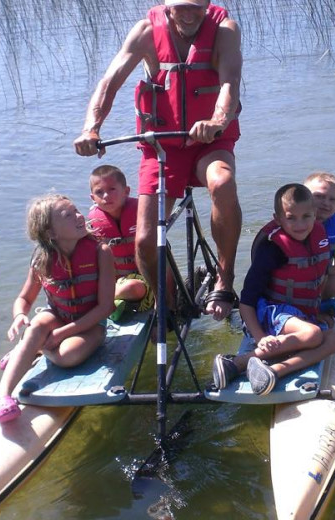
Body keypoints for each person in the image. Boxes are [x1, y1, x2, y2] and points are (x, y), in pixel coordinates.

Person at [73, 0, 242, 321]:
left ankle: (225, 279)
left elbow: (230, 82)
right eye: (181, 7)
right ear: (166, 5)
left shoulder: (225, 30)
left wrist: (218, 120)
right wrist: (90, 129)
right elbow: (109, 83)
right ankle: (168, 304)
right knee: (146, 241)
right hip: (162, 146)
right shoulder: (146, 31)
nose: (189, 14)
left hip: (210, 141)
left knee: (222, 181)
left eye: (196, 6)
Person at [0, 194, 116, 423]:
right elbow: (24, 299)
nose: (79, 216)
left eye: (76, 210)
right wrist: (19, 315)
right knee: (36, 325)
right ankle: (2, 397)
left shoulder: (101, 252)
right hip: (57, 317)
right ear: (51, 233)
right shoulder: (42, 259)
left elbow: (105, 307)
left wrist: (61, 334)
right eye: (68, 215)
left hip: (91, 324)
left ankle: (29, 350)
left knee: (68, 356)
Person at [212, 184, 335, 396]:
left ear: (315, 215)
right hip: (272, 313)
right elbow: (246, 301)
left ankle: (274, 371)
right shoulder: (272, 249)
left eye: (306, 216)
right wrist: (259, 336)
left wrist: (316, 311)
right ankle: (237, 363)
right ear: (278, 218)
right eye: (291, 218)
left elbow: (315, 282)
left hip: (298, 316)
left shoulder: (317, 236)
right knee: (313, 333)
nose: (300, 224)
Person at [88, 164, 154, 321]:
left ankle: (103, 303)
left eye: (112, 189)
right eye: (99, 192)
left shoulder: (141, 211)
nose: (106, 196)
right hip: (115, 281)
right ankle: (114, 303)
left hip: (143, 279)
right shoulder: (92, 222)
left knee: (133, 288)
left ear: (126, 191)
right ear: (93, 198)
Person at [304, 171, 335, 320]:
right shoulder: (291, 224)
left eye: (332, 199)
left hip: (318, 280)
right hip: (291, 281)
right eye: (319, 196)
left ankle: (321, 305)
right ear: (303, 197)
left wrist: (319, 269)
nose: (326, 203)